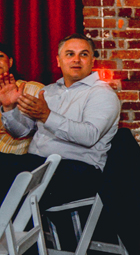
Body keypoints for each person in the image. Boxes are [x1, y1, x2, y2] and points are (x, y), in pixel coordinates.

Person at [0, 34, 120, 206]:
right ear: (59, 60)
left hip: (76, 170)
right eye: (70, 54)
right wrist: (9, 108)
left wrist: (46, 116)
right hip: (38, 164)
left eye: (84, 54)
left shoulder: (102, 93)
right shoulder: (49, 91)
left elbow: (89, 136)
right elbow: (22, 132)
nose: (76, 60)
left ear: (93, 60)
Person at [0, 42, 44, 154]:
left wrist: (9, 108)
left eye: (0, 56)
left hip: (17, 160)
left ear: (10, 62)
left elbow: (25, 132)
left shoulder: (33, 89)